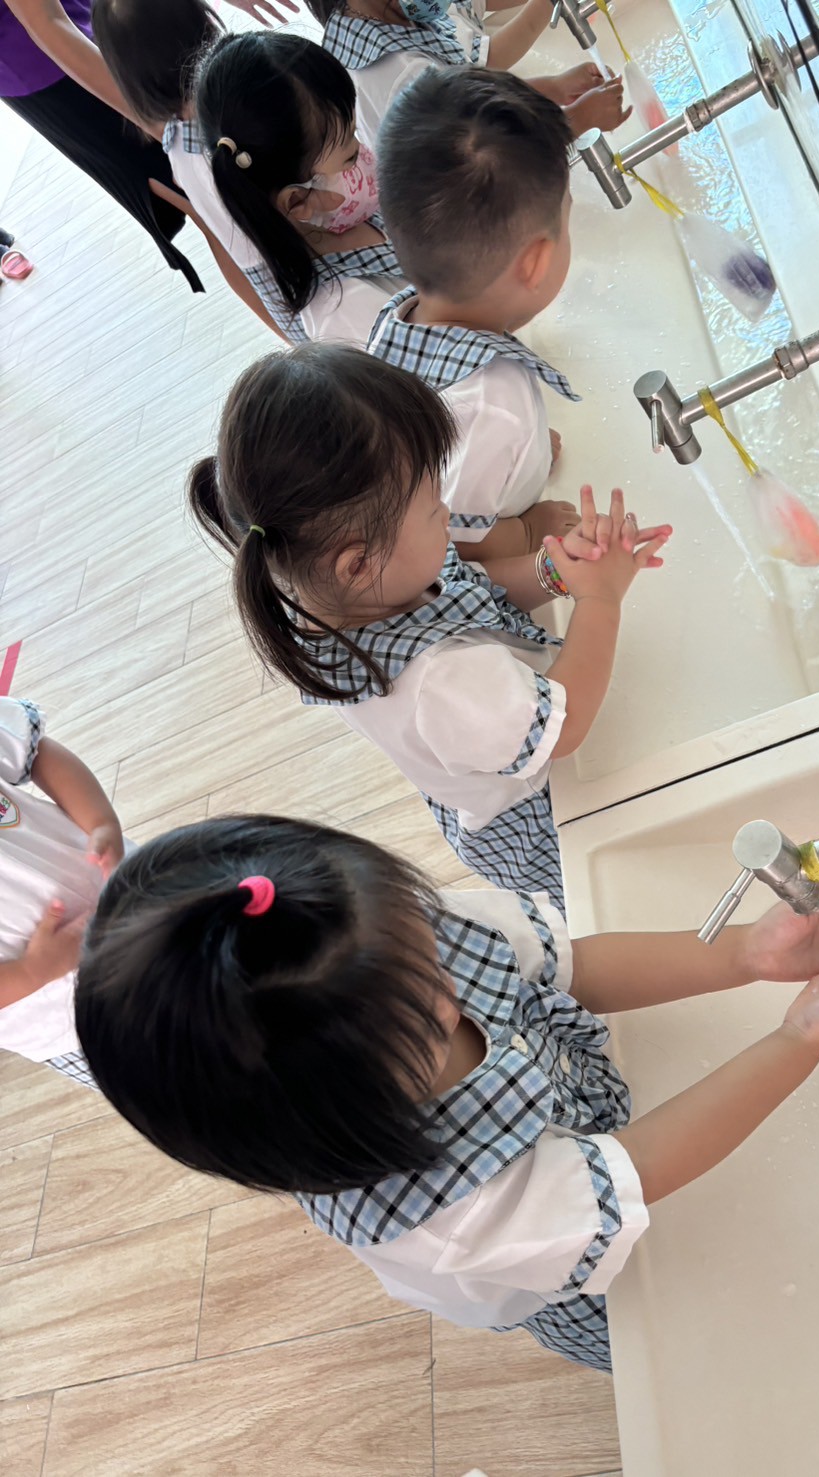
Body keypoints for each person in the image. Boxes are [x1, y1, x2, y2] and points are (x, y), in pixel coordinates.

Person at [73, 813, 819, 1371]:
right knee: (683, 1356)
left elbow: (567, 966)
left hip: (578, 1123)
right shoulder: (450, 1221)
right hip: (576, 1269)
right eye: (426, 1017)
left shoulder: (382, 937)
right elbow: (635, 1168)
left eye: (430, 952)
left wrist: (744, 954)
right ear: (324, 1114)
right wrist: (797, 1037)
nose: (451, 993)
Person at [187, 343, 671, 909]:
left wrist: (554, 571)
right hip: (538, 806)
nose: (448, 512)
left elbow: (470, 587)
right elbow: (563, 732)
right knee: (618, 893)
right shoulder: (441, 682)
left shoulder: (348, 593)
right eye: (432, 504)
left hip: (495, 738)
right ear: (358, 564)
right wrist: (601, 599)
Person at [370, 68, 584, 561]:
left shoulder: (401, 311)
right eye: (567, 217)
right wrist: (528, 531)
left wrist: (520, 453)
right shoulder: (493, 403)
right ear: (535, 263)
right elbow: (455, 539)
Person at [194, 31, 404, 343]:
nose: (365, 154)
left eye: (355, 134)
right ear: (295, 201)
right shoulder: (341, 308)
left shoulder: (354, 216)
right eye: (349, 156)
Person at [90, 0, 284, 336]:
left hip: (277, 289)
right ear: (205, 23)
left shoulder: (176, 147)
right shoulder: (245, 108)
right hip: (311, 255)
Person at [1, 0, 202, 288]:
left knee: (216, 193)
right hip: (49, 64)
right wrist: (151, 121)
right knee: (203, 194)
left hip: (95, 21)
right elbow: (47, 23)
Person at [0, 695, 123, 1087]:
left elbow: (36, 754)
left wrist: (100, 821)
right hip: (67, 1018)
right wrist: (30, 971)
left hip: (132, 895)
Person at [306, 0, 629, 144]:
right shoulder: (402, 74)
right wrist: (578, 118)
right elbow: (490, 152)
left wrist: (553, 88)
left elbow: (473, 102)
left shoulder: (393, 16)